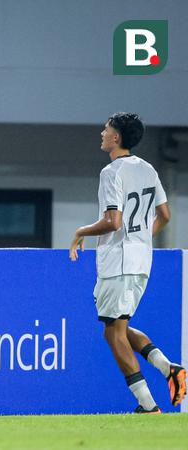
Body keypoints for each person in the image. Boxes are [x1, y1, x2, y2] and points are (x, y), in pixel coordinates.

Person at [69, 112, 186, 413]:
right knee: (118, 325)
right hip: (141, 261)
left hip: (118, 262)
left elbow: (113, 221)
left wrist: (81, 231)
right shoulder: (148, 169)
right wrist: (141, 239)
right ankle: (168, 368)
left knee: (113, 333)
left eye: (106, 129)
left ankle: (148, 405)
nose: (102, 133)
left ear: (116, 137)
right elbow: (165, 215)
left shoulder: (111, 172)